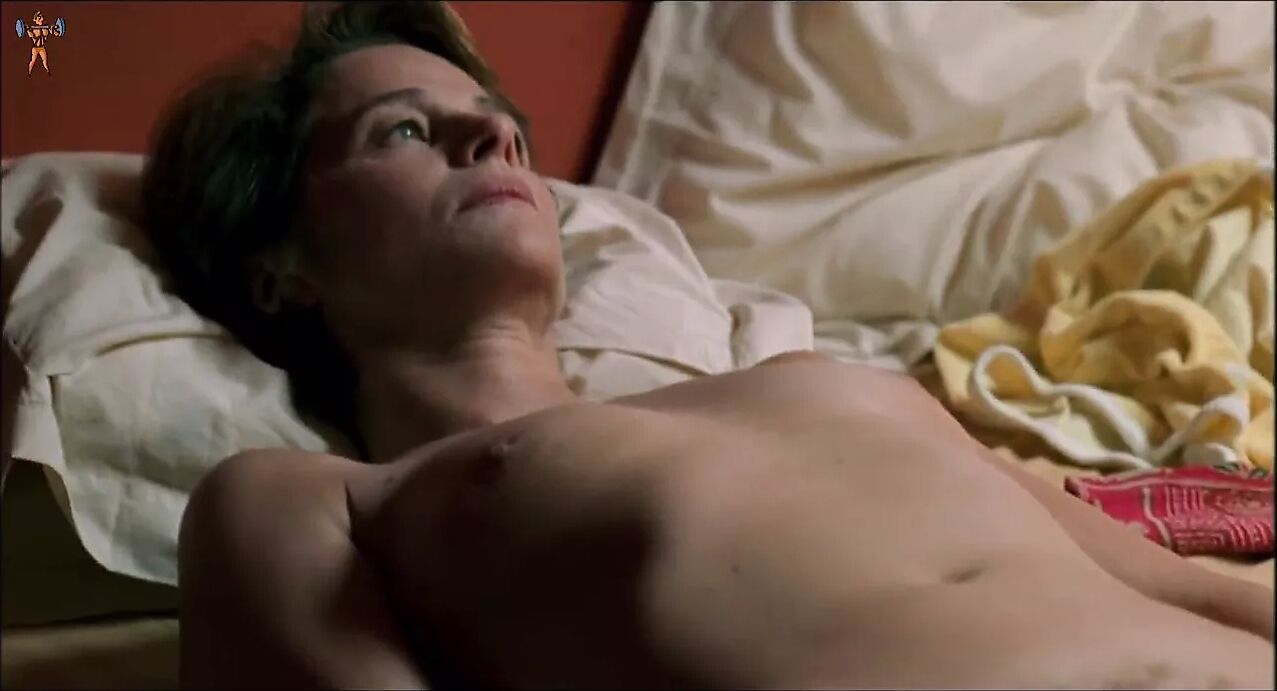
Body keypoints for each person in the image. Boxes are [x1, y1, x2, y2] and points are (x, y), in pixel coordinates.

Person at [141, 2, 1274, 688]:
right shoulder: (314, 501)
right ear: (280, 264)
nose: (489, 130)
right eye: (402, 129)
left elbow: (1187, 586)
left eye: (502, 127)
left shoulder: (823, 382)